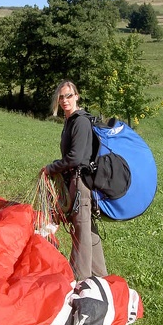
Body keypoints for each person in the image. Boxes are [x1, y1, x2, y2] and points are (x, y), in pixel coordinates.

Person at [41, 80, 107, 281]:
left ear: (77, 96)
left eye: (69, 95)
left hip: (81, 182)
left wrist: (52, 168)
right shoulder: (71, 121)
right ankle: (100, 275)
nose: (64, 100)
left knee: (81, 229)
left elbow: (76, 158)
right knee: (87, 228)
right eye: (61, 97)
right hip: (77, 180)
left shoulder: (80, 121)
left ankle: (80, 277)